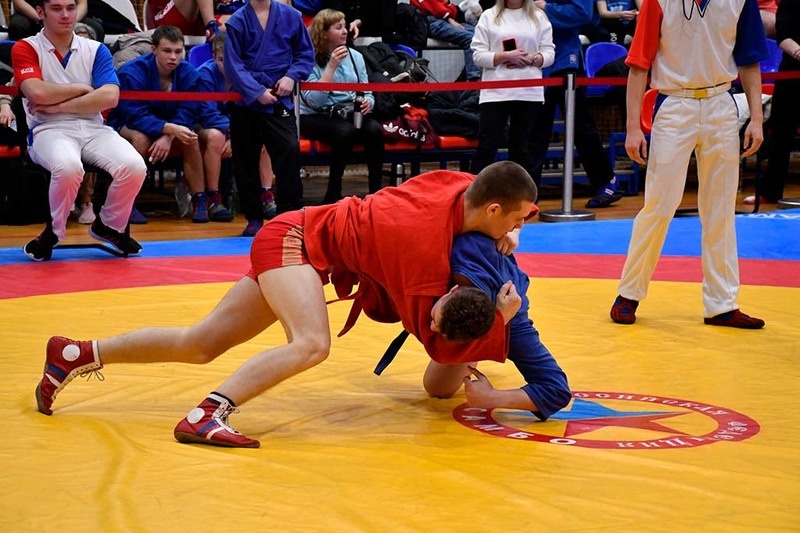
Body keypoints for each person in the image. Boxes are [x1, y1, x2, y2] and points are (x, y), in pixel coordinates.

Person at [35, 160, 538, 448]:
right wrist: (499, 319)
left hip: (303, 241)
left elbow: (487, 202)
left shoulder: (456, 184)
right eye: (514, 222)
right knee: (311, 343)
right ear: (491, 208)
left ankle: (76, 354)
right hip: (296, 241)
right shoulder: (419, 247)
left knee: (201, 343)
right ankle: (207, 415)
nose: (516, 232)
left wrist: (505, 231)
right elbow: (437, 338)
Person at [609, 0, 768, 329]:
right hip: (674, 104)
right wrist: (633, 127)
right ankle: (629, 293)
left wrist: (756, 119)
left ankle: (722, 304)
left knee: (721, 208)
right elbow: (638, 64)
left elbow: (749, 60)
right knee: (659, 204)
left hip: (722, 103)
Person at [14, 0, 147, 262]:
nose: (65, 14)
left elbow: (110, 97)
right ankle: (54, 232)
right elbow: (36, 92)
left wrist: (57, 105)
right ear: (40, 12)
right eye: (56, 9)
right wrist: (82, 89)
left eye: (70, 8)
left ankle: (108, 225)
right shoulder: (26, 47)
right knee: (68, 167)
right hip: (48, 128)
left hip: (93, 127)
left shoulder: (96, 49)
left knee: (135, 166)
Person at [422, 231, 571, 417]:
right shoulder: (457, 253)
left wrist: (492, 397)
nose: (432, 327)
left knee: (438, 387)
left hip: (507, 317)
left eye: (439, 325)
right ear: (451, 290)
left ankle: (474, 348)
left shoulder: (515, 322)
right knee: (438, 387)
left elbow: (557, 391)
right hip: (474, 249)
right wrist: (512, 229)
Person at [110, 25, 232, 223]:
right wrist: (167, 129)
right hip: (128, 124)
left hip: (170, 125)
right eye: (167, 51)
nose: (173, 57)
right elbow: (134, 115)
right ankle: (127, 202)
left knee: (190, 138)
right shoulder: (131, 72)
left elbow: (188, 111)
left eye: (178, 51)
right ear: (154, 50)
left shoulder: (189, 73)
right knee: (141, 138)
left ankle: (200, 199)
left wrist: (168, 135)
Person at [223, 0, 314, 236]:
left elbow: (305, 54)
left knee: (289, 152)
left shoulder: (291, 16)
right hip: (247, 100)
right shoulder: (237, 21)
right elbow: (233, 65)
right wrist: (255, 91)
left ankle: (290, 215)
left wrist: (292, 76)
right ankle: (253, 216)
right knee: (245, 160)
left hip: (278, 96)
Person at [529, 0, 624, 209]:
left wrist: (546, 8)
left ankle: (606, 182)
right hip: (533, 61)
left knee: (581, 127)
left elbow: (582, 13)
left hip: (564, 60)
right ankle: (528, 192)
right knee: (535, 130)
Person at [299, 9, 385, 203]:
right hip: (315, 115)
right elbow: (315, 101)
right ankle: (333, 192)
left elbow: (366, 91)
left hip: (348, 112)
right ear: (324, 33)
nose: (345, 31)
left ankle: (376, 193)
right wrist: (331, 66)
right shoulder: (308, 58)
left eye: (345, 26)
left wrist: (368, 103)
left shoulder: (356, 56)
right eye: (338, 28)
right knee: (345, 131)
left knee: (374, 130)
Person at [470, 0, 555, 179]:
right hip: (495, 92)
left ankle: (523, 194)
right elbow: (477, 55)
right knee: (487, 146)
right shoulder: (488, 16)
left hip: (529, 92)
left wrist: (532, 58)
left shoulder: (539, 17)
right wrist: (505, 56)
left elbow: (549, 54)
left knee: (522, 149)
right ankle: (474, 192)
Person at [745, 0, 799, 206]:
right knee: (780, 134)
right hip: (792, 74)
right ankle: (770, 191)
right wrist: (799, 52)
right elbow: (783, 36)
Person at [410, 0, 481, 81]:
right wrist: (449, 18)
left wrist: (451, 9)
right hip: (430, 21)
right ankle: (473, 79)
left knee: (479, 35)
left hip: (443, 20)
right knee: (470, 38)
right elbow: (433, 5)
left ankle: (471, 77)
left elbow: (447, 7)